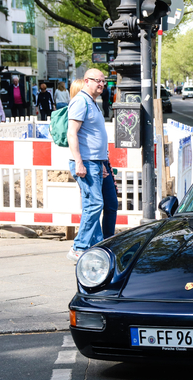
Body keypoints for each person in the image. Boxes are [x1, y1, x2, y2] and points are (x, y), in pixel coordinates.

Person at [66, 69, 118, 262]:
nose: (102, 84)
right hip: (86, 163)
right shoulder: (81, 101)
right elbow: (72, 133)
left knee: (109, 203)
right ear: (87, 81)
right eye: (99, 81)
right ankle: (78, 247)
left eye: (104, 81)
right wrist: (79, 161)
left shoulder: (93, 102)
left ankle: (102, 245)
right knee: (94, 204)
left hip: (96, 162)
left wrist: (102, 161)